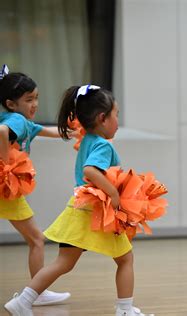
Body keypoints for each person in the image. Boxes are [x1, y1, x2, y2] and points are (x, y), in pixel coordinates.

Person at [4, 85, 152, 316]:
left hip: (80, 209)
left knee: (64, 263)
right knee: (125, 259)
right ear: (103, 118)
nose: (117, 120)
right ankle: (125, 311)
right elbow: (90, 171)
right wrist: (113, 193)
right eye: (116, 115)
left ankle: (23, 301)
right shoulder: (102, 144)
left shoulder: (89, 140)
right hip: (95, 212)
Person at [0, 65, 70, 306]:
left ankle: (37, 291)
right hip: (6, 193)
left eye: (37, 98)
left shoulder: (23, 122)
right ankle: (37, 292)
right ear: (11, 104)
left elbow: (44, 131)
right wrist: (5, 165)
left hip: (7, 192)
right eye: (29, 99)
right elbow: (2, 131)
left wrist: (72, 132)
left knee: (35, 240)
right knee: (37, 240)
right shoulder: (16, 119)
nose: (35, 103)